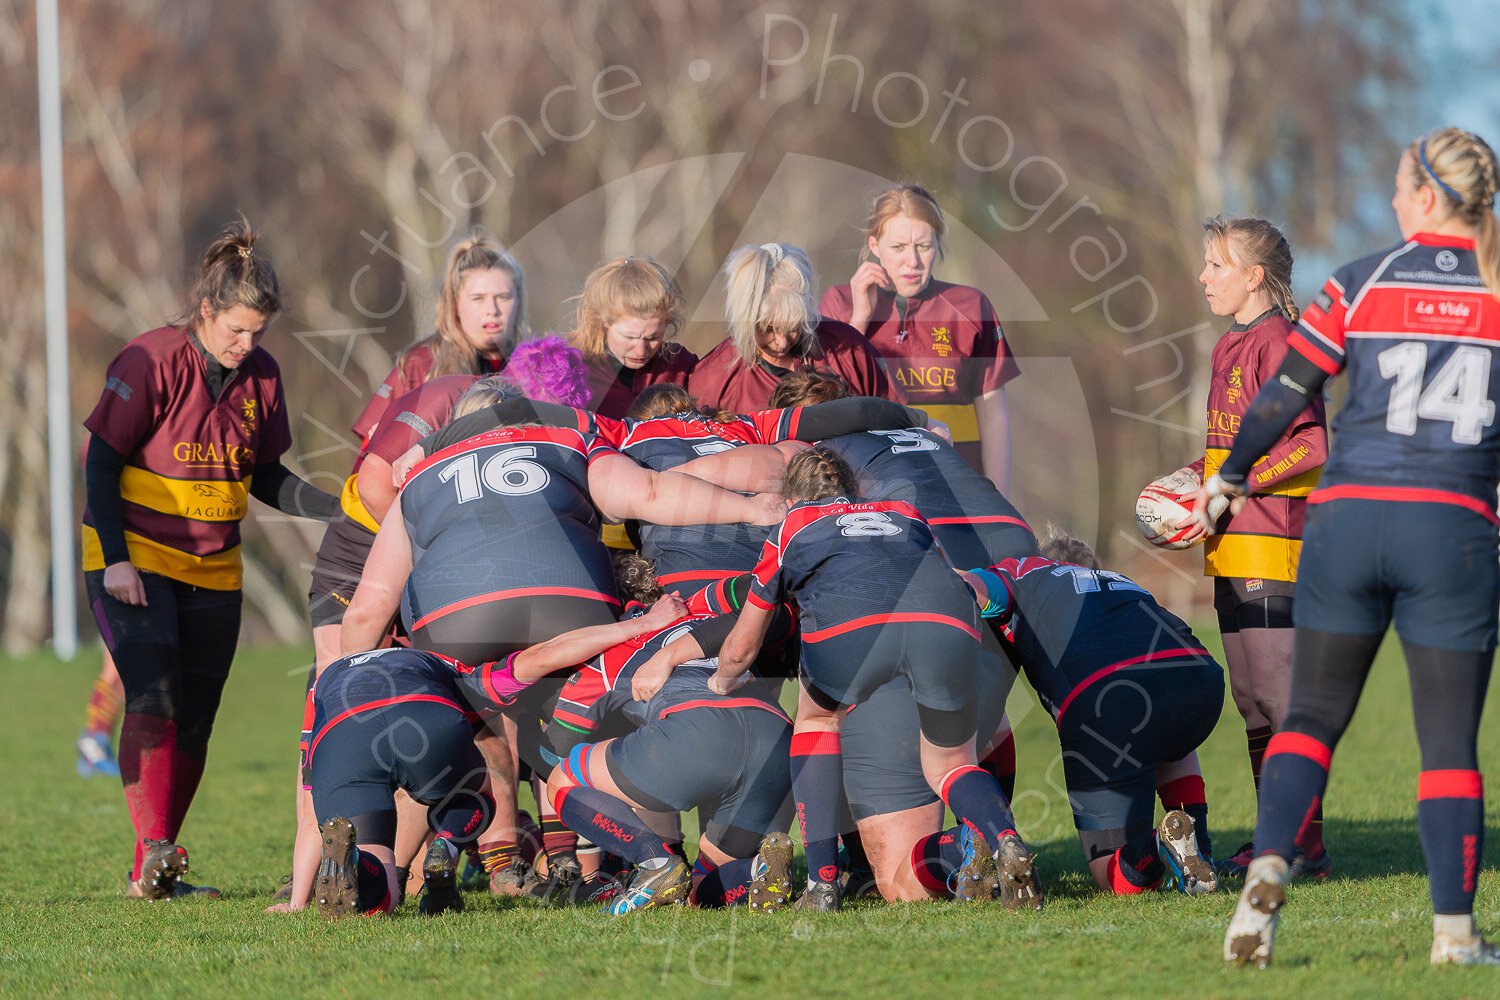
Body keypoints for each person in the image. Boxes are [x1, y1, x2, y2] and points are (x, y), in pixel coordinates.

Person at [1197, 127, 1500, 967]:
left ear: (1429, 198)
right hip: (1452, 528)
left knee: (1309, 720)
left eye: (1403, 187)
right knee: (1447, 744)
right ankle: (1454, 935)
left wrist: (1227, 478)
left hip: (1346, 521)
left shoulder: (1358, 282)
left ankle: (1263, 885)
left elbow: (1283, 396)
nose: (1395, 200)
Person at [82, 219, 338, 899]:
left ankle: (152, 875)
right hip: (132, 554)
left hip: (214, 568)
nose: (246, 344)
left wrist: (341, 507)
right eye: (235, 330)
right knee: (153, 693)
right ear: (205, 311)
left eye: (258, 332)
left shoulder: (263, 377)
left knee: (196, 717)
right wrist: (115, 560)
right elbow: (101, 465)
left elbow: (265, 476)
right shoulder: (149, 361)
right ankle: (160, 849)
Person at [711, 448, 1039, 912]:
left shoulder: (793, 525)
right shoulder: (905, 511)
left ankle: (823, 883)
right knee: (948, 763)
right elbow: (949, 578)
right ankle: (1004, 838)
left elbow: (743, 646)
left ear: (792, 498)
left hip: (854, 632)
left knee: (817, 721)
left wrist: (722, 680)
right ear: (855, 489)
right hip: (946, 626)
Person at [1173, 215, 1329, 879]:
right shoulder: (1226, 347)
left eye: (1216, 264)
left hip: (1273, 541)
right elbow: (1233, 446)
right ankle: (1276, 839)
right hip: (1231, 543)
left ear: (1254, 276)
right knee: (1249, 699)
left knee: (1279, 697)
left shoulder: (1282, 342)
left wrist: (1237, 486)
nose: (1204, 276)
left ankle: (1305, 847)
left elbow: (1314, 446)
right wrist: (1191, 483)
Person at [954, 531, 1224, 899]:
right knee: (1169, 740)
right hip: (1200, 679)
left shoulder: (1021, 571)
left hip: (1108, 702)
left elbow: (968, 585)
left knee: (1111, 872)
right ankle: (1201, 850)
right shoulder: (1118, 581)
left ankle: (1157, 847)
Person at [819, 185, 1021, 492]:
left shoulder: (971, 307)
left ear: (938, 243)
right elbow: (822, 399)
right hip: (870, 493)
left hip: (957, 491)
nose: (912, 261)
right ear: (874, 245)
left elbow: (994, 416)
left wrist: (999, 504)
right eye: (898, 247)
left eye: (923, 246)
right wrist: (859, 319)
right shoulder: (839, 304)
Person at [350, 231, 525, 446]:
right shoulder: (418, 365)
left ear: (518, 301)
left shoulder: (533, 369)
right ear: (455, 304)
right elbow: (370, 464)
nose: (492, 309)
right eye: (478, 298)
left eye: (503, 297)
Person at [689, 243, 900, 413]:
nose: (781, 342)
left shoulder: (849, 349)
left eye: (793, 327)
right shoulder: (714, 379)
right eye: (768, 328)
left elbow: (894, 422)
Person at [566, 256, 698, 419]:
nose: (641, 350)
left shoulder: (681, 366)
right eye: (629, 337)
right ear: (603, 321)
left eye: (652, 337)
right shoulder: (571, 371)